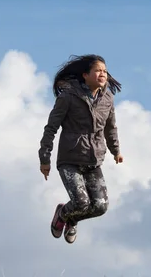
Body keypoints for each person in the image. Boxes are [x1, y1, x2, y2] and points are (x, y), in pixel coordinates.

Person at [38, 54, 124, 244]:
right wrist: (45, 158)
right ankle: (62, 214)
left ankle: (71, 218)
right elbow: (51, 128)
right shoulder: (68, 96)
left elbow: (111, 127)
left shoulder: (107, 98)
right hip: (70, 160)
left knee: (100, 207)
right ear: (85, 75)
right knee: (82, 203)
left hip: (93, 162)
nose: (102, 74)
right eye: (98, 71)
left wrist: (115, 150)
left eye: (104, 71)